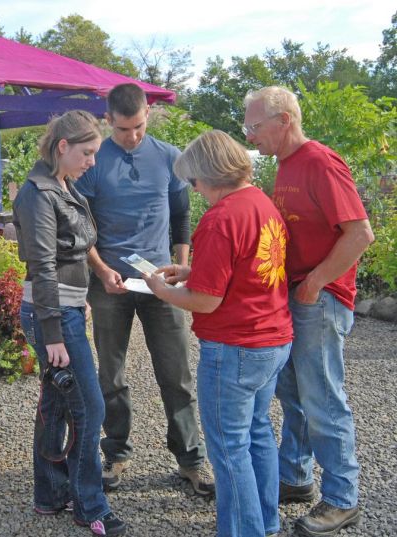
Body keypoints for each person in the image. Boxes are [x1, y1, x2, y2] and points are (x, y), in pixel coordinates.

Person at [141, 130, 293, 537]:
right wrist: (194, 270)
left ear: (209, 174)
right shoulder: (262, 203)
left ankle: (244, 531)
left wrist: (163, 290)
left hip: (235, 346)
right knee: (258, 432)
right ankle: (266, 521)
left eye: (193, 181)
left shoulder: (221, 217)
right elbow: (250, 267)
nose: (194, 189)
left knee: (228, 449)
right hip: (273, 337)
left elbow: (205, 301)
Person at [243, 86, 375, 537]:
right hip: (296, 294)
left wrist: (317, 281)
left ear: (284, 121)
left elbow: (359, 234)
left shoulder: (319, 161)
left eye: (255, 126)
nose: (250, 135)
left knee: (322, 399)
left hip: (319, 298)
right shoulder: (285, 165)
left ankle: (342, 499)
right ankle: (295, 477)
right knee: (294, 394)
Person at [75, 83, 213, 495]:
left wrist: (182, 266)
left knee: (176, 373)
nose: (131, 136)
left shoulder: (170, 158)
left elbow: (181, 218)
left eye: (137, 127)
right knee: (111, 374)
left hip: (162, 283)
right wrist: (100, 271)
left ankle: (191, 460)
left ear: (147, 115)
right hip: (110, 284)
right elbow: (82, 226)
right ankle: (115, 454)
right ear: (107, 120)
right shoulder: (93, 162)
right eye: (121, 130)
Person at [14, 110, 127, 536]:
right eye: (87, 152)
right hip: (53, 313)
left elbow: (77, 247)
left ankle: (50, 493)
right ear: (63, 147)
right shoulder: (39, 194)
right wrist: (54, 332)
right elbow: (42, 266)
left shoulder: (62, 185)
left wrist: (94, 279)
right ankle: (90, 506)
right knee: (89, 406)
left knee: (58, 402)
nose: (92, 161)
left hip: (66, 307)